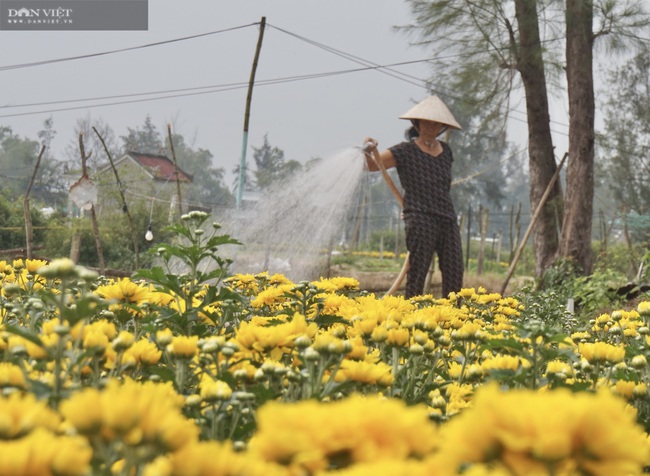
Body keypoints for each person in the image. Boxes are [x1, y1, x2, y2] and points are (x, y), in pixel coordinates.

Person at [364, 95, 464, 298]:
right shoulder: (404, 151)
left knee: (454, 269)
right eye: (426, 121)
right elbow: (372, 165)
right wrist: (368, 147)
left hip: (446, 217)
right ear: (417, 123)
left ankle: (454, 318)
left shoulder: (446, 151)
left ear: (442, 127)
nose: (431, 126)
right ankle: (412, 314)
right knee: (418, 270)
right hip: (420, 217)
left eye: (436, 123)